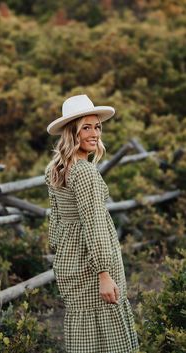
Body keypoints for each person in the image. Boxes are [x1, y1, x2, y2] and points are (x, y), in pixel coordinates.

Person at [45, 94, 139, 353]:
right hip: (93, 265)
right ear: (71, 132)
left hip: (69, 262)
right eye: (86, 127)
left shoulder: (56, 169)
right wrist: (104, 273)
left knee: (84, 334)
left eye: (97, 126)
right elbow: (95, 223)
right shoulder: (84, 172)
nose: (95, 133)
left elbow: (56, 224)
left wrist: (64, 253)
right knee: (107, 338)